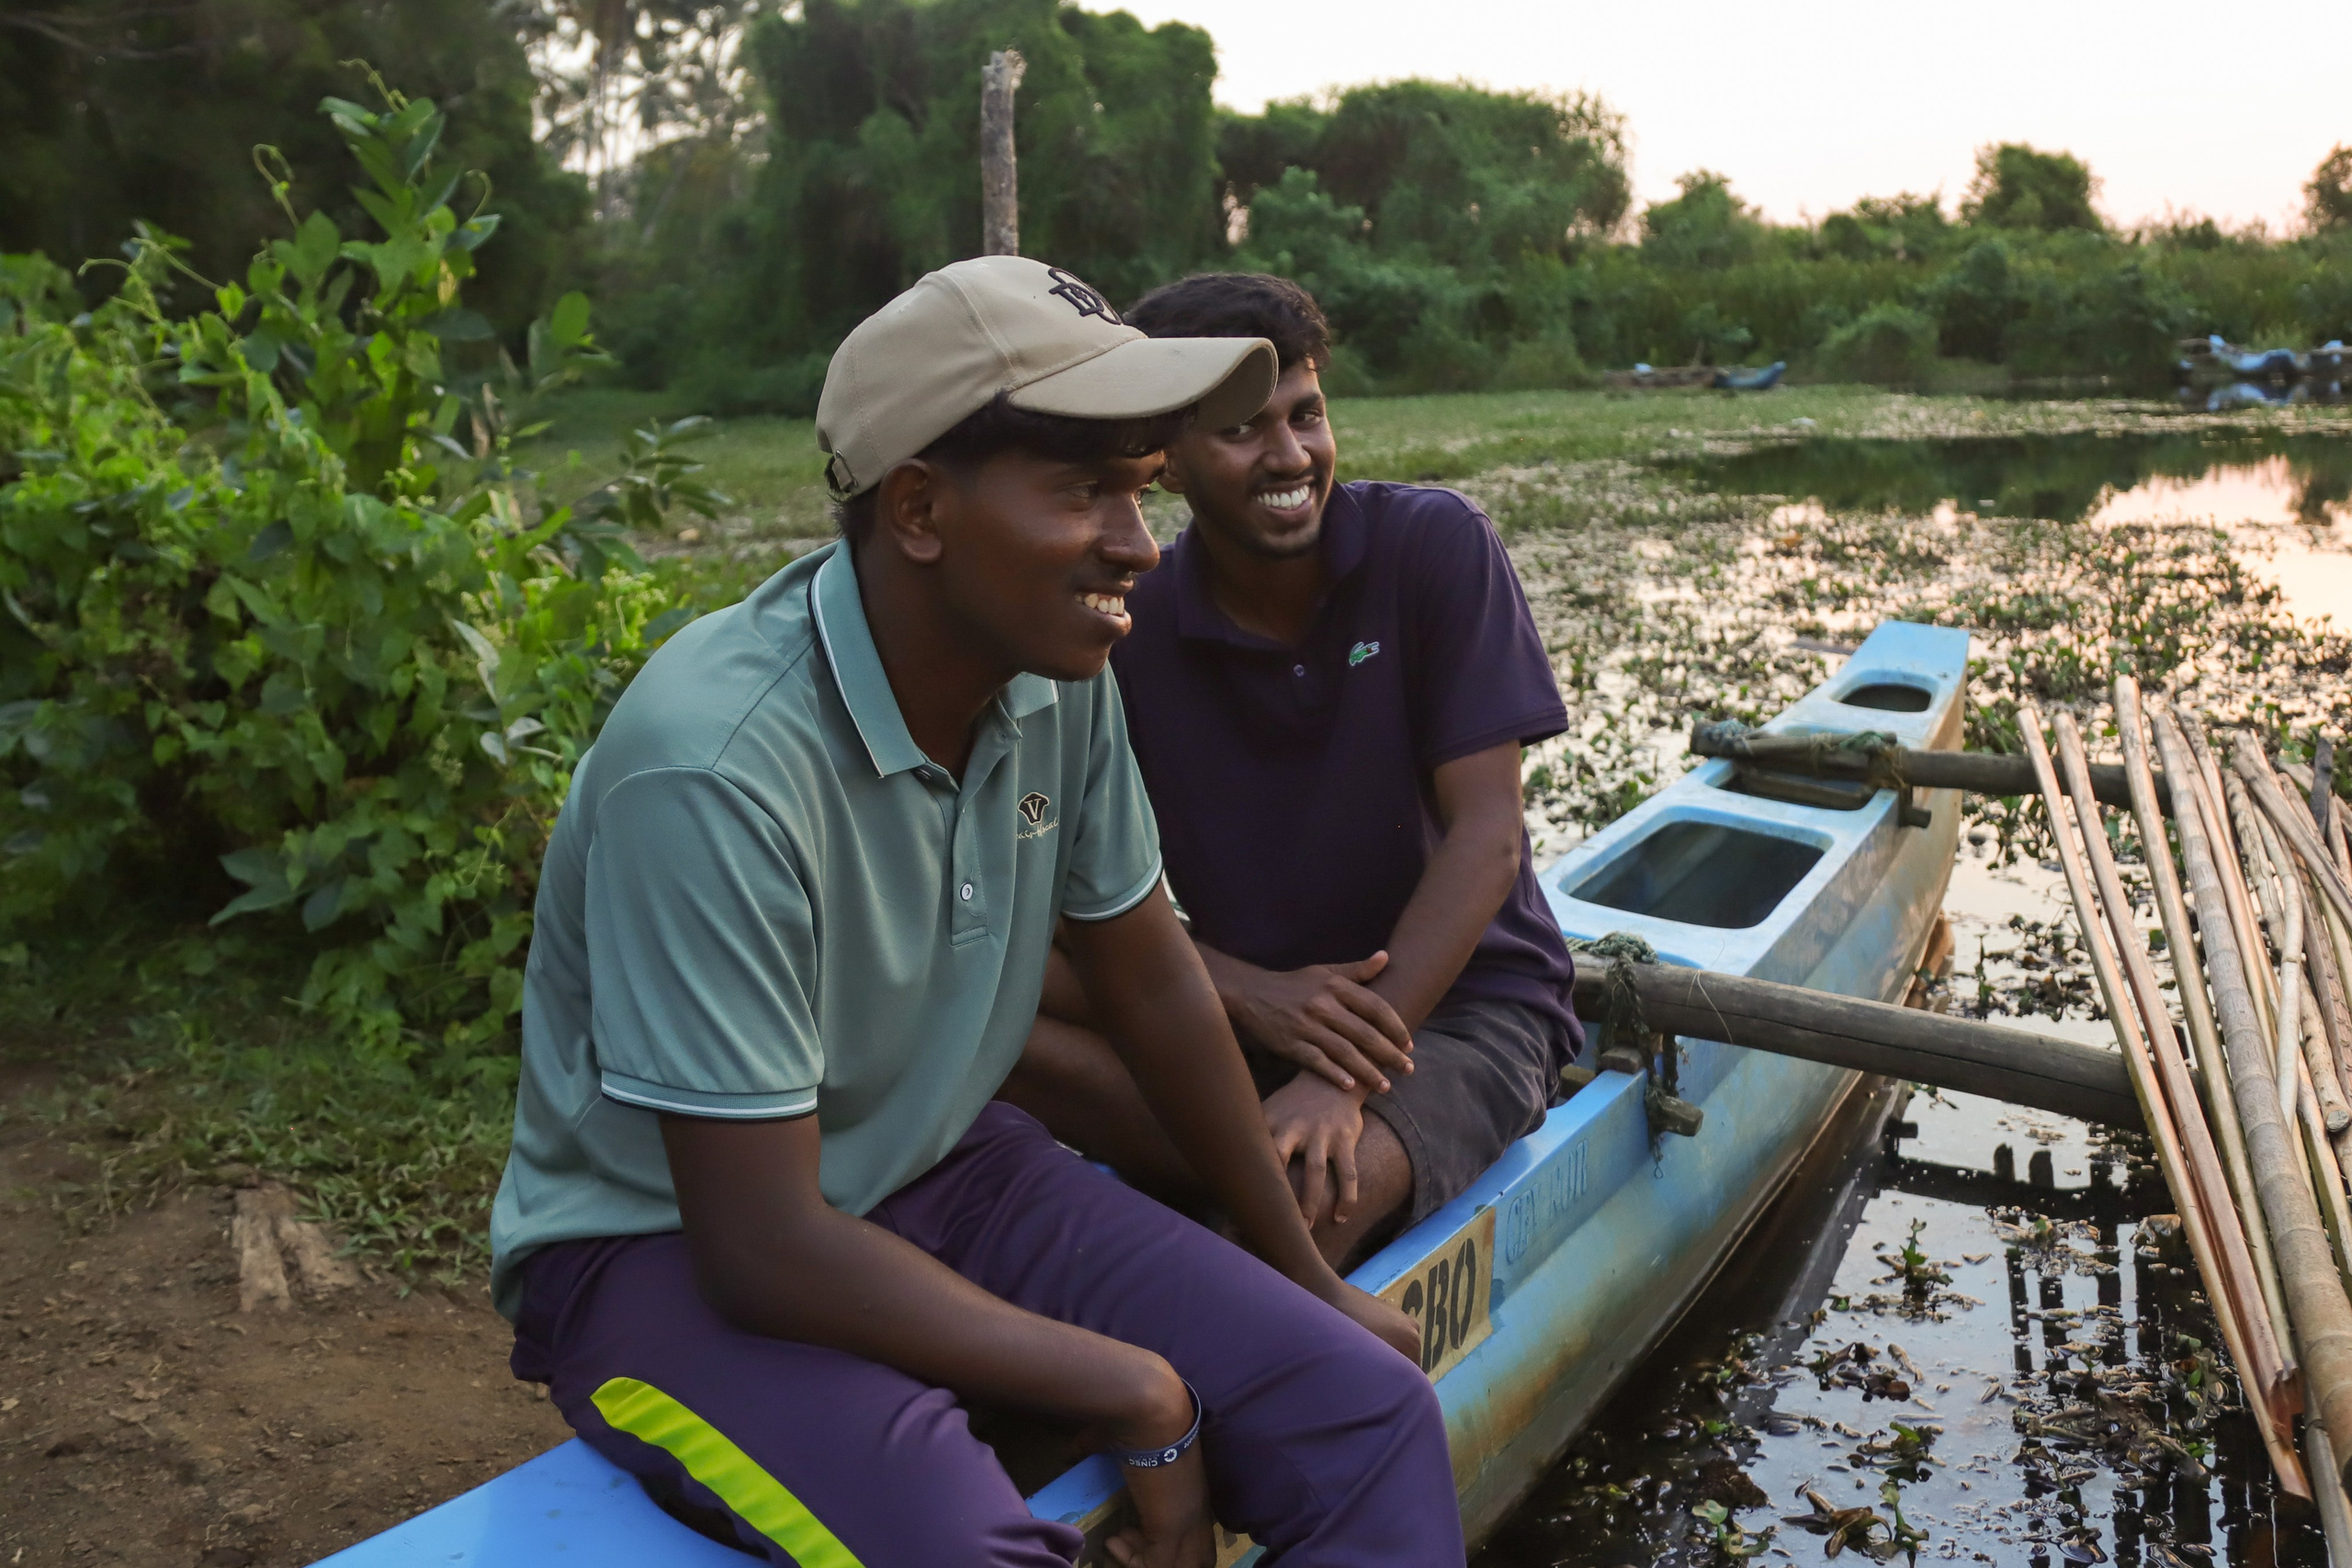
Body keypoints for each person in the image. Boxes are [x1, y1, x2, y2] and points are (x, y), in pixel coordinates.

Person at [487, 257, 1464, 1568]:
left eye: (1138, 487)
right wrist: (1137, 1388)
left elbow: (1153, 978)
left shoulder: (1053, 671)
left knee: (1370, 1407)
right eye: (1083, 492)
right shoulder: (714, 766)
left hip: (946, 1162)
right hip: (660, 1253)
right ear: (921, 508)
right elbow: (762, 1245)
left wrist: (1308, 1277)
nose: (1140, 543)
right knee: (966, 1547)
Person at [1001, 273, 1582, 1269]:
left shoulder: (1432, 547)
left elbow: (1488, 841)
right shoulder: (1129, 627)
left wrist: (1345, 1073)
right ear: (1164, 463)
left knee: (1283, 1222)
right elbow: (1054, 897)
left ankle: (1224, 1290)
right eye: (1241, 431)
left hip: (1456, 1016)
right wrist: (1247, 993)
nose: (1289, 456)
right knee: (998, 1029)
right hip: (1237, 1020)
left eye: (1306, 415)